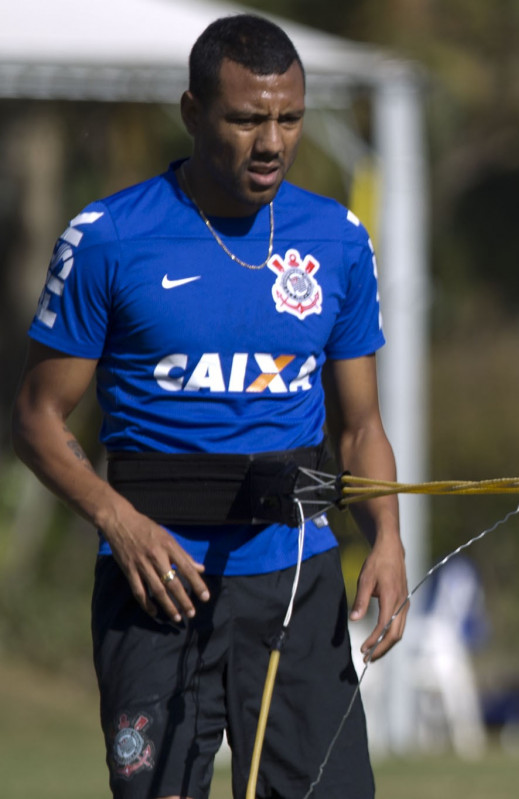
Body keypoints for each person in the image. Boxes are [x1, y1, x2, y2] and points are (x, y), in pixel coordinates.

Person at [11, 14, 408, 799]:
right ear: (193, 113)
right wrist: (119, 522)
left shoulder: (337, 237)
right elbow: (35, 417)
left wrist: (388, 538)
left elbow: (361, 425)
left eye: (289, 118)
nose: (272, 142)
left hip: (295, 578)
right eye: (246, 118)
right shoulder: (109, 238)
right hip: (156, 581)